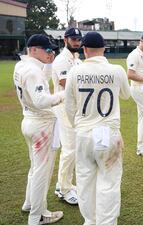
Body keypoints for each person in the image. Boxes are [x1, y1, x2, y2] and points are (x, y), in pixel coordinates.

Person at [64, 32, 131, 225]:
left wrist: (79, 126)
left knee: (85, 182)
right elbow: (126, 95)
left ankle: (90, 220)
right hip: (108, 134)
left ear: (84, 49)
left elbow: (69, 106)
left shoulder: (75, 71)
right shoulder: (116, 70)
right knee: (109, 183)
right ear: (104, 49)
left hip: (84, 133)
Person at [14, 34, 64, 225]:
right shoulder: (32, 71)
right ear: (33, 50)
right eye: (47, 50)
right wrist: (62, 95)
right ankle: (37, 216)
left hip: (29, 121)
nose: (50, 53)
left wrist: (49, 63)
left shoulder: (22, 66)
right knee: (42, 172)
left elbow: (39, 76)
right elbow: (41, 100)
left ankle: (29, 204)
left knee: (35, 168)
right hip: (41, 126)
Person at [51, 27, 82, 205]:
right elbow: (65, 83)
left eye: (78, 39)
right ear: (65, 40)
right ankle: (64, 190)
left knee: (74, 149)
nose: (76, 42)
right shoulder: (62, 60)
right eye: (73, 39)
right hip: (64, 108)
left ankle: (62, 184)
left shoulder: (77, 59)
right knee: (69, 150)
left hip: (74, 109)